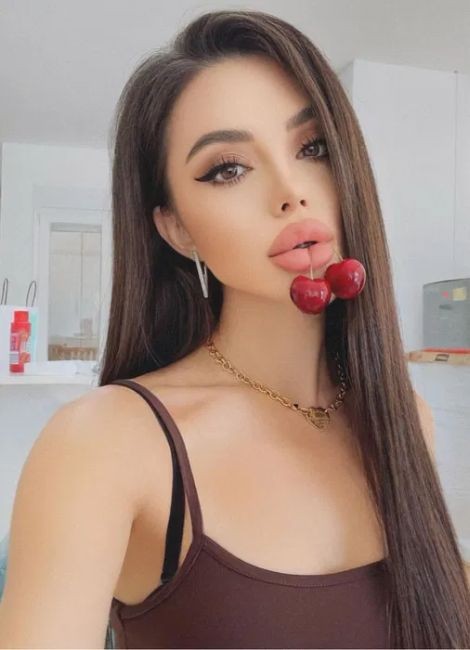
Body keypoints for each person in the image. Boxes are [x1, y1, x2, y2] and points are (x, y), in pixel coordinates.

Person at [1, 9, 469, 649]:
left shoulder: (406, 418)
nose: (290, 191)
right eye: (228, 168)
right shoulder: (107, 445)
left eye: (312, 148)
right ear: (177, 229)